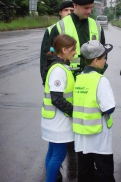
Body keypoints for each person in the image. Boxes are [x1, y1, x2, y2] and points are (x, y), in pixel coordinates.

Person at [73, 40, 115, 182]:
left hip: (82, 138)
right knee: (105, 174)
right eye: (104, 58)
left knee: (85, 174)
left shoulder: (78, 79)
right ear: (96, 61)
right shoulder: (100, 80)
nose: (105, 61)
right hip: (99, 139)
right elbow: (109, 108)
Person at [41, 34, 77, 182]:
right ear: (64, 50)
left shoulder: (60, 66)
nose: (75, 52)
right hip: (58, 123)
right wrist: (75, 111)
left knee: (52, 153)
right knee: (58, 156)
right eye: (73, 49)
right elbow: (57, 99)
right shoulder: (58, 70)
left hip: (54, 121)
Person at [47, 0, 106, 77]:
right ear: (75, 5)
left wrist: (99, 73)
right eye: (86, 8)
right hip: (67, 80)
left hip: (91, 80)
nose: (89, 11)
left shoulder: (97, 26)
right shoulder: (60, 26)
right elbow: (48, 58)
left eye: (91, 8)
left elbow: (103, 54)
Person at [40, 1, 75, 85]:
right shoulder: (51, 29)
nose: (69, 13)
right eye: (66, 10)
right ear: (60, 12)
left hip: (75, 72)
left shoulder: (76, 29)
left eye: (71, 10)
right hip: (57, 74)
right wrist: (45, 78)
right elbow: (45, 56)